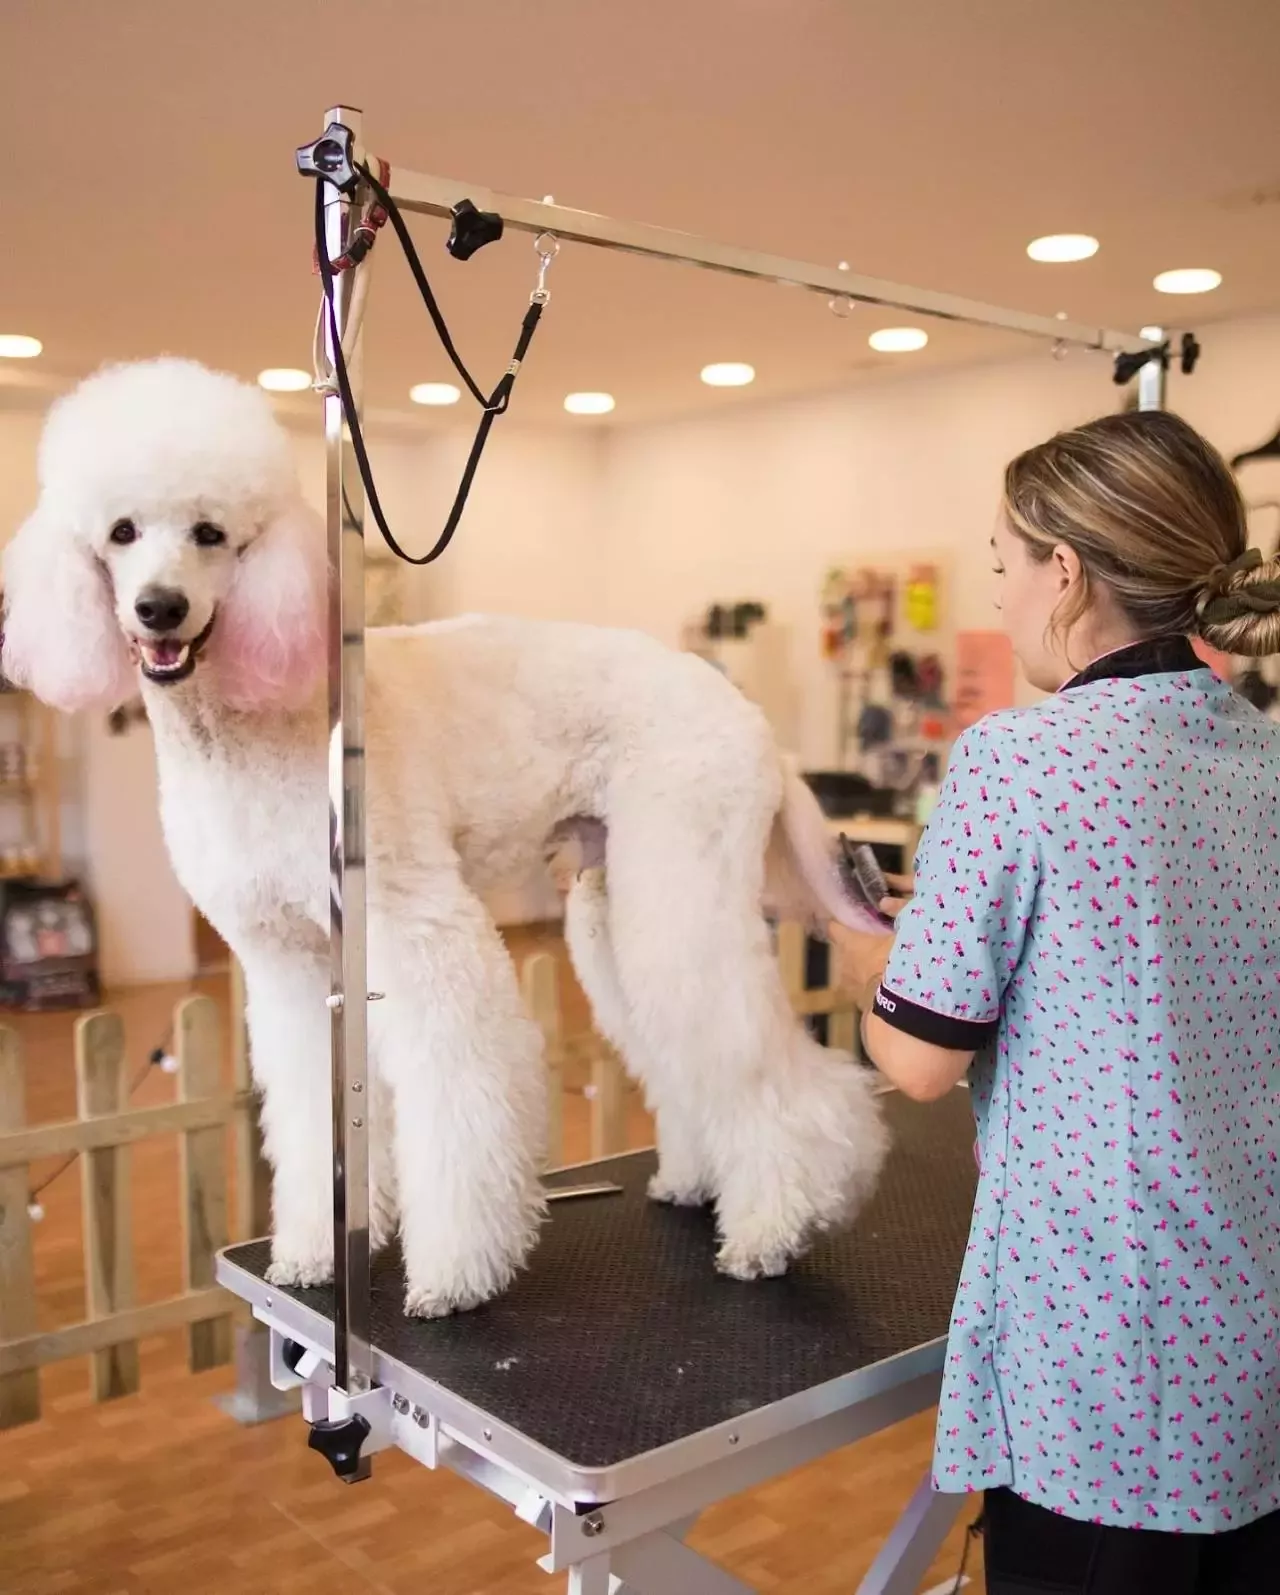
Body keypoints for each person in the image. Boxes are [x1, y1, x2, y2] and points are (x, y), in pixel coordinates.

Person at [831, 409, 1280, 1594]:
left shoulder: (1018, 759)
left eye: (1001, 565)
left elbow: (920, 1060)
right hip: (1251, 1320)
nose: (997, 600)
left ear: (1064, 572)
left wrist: (848, 944)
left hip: (1108, 1339)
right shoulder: (1261, 755)